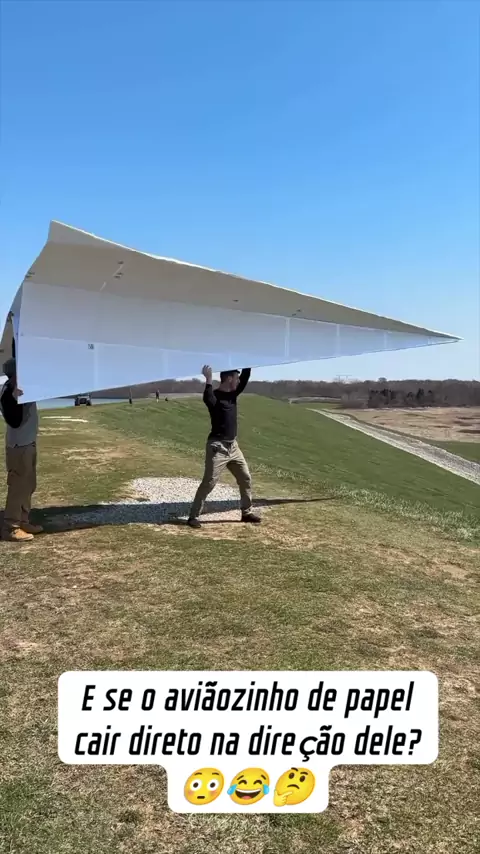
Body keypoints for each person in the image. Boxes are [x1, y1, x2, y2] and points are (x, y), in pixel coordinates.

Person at [187, 365, 261, 529]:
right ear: (229, 379)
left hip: (233, 446)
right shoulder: (215, 397)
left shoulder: (233, 394)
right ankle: (193, 516)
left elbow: (245, 377)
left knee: (245, 478)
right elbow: (207, 398)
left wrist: (248, 361)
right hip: (217, 447)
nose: (239, 381)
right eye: (236, 378)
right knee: (209, 482)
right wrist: (208, 378)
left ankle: (246, 513)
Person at [0, 358, 42, 542]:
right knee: (18, 486)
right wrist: (17, 397)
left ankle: (23, 520)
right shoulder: (9, 392)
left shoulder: (20, 389)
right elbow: (14, 420)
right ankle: (11, 527)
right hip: (19, 446)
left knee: (29, 485)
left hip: (28, 443)